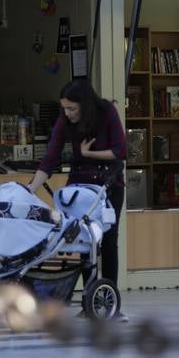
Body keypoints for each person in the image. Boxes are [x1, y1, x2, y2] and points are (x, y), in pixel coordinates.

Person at [28, 80, 128, 320]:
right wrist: (31, 188)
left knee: (108, 241)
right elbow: (51, 157)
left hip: (107, 183)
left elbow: (120, 151)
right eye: (64, 108)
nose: (67, 113)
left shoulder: (106, 112)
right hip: (80, 189)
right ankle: (89, 301)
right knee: (85, 242)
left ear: (85, 105)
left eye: (72, 108)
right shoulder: (65, 121)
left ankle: (108, 299)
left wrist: (87, 153)